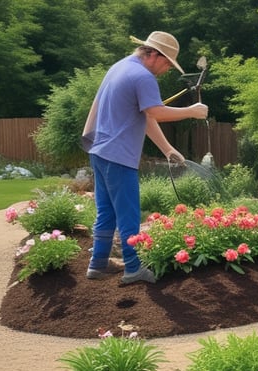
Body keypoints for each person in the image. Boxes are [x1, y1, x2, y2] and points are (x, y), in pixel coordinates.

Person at [81, 31, 208, 284]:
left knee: (106, 212)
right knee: (128, 214)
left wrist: (167, 149)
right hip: (119, 156)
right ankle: (133, 268)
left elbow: (144, 116)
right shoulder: (143, 76)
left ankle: (98, 263)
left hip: (100, 152)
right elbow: (155, 112)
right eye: (167, 63)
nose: (167, 69)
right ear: (153, 54)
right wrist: (191, 111)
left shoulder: (119, 67)